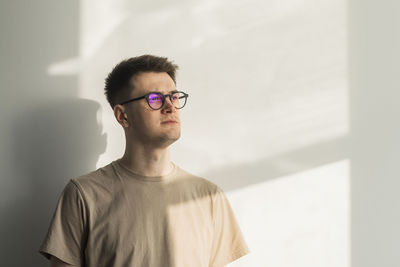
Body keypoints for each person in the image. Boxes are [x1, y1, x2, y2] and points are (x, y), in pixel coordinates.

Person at [38, 55, 250, 267]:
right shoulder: (83, 195)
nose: (170, 107)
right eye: (155, 99)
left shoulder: (209, 196)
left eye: (174, 97)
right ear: (122, 116)